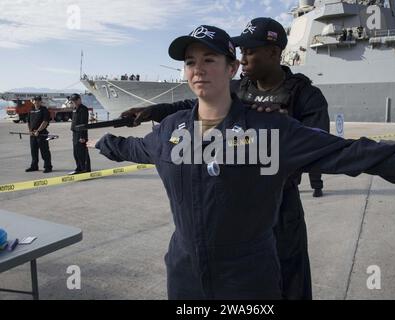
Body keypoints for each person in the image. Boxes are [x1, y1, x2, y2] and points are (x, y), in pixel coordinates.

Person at [90, 25, 395, 300]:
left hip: (248, 283)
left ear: (232, 68)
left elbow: (361, 154)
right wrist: (103, 142)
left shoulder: (271, 130)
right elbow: (137, 150)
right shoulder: (171, 130)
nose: (198, 69)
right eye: (190, 61)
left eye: (210, 59)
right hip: (185, 279)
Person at [120, 17, 328, 300]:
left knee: (291, 277)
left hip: (280, 203)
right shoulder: (238, 88)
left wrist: (277, 131)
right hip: (240, 206)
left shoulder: (305, 95)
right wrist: (154, 111)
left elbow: (318, 148)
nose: (243, 59)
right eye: (240, 52)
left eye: (250, 51)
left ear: (274, 52)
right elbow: (190, 105)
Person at [25, 95, 52, 173]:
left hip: (42, 134)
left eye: (37, 100)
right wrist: (30, 130)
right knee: (33, 151)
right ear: (33, 101)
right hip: (33, 135)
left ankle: (48, 167)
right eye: (34, 100)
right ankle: (34, 166)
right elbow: (29, 122)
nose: (36, 102)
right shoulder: (31, 110)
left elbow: (45, 122)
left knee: (44, 151)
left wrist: (38, 131)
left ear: (40, 101)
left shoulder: (44, 110)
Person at [69, 93, 91, 174]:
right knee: (76, 152)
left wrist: (82, 136)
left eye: (75, 100)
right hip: (75, 133)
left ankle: (85, 169)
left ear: (79, 99)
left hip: (81, 133)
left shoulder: (83, 109)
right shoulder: (75, 109)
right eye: (72, 101)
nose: (73, 102)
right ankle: (79, 167)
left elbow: (83, 123)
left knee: (82, 152)